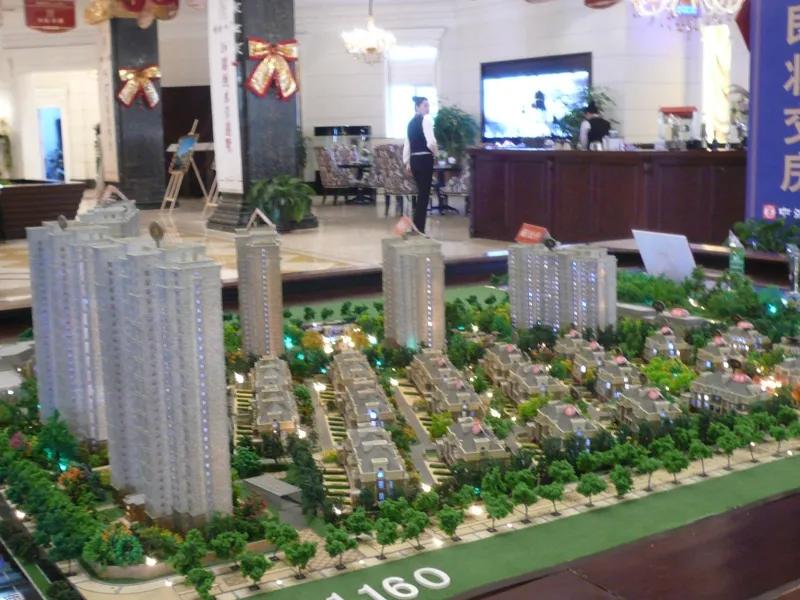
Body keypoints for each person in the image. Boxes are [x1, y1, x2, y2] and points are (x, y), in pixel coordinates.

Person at [403, 96, 438, 233]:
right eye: (425, 105)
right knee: (424, 195)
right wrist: (435, 153)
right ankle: (418, 228)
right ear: (417, 107)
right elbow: (431, 142)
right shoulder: (426, 121)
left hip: (414, 160)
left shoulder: (410, 123)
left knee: (421, 194)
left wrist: (407, 163)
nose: (427, 108)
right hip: (425, 159)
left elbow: (407, 145)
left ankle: (416, 226)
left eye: (428, 105)